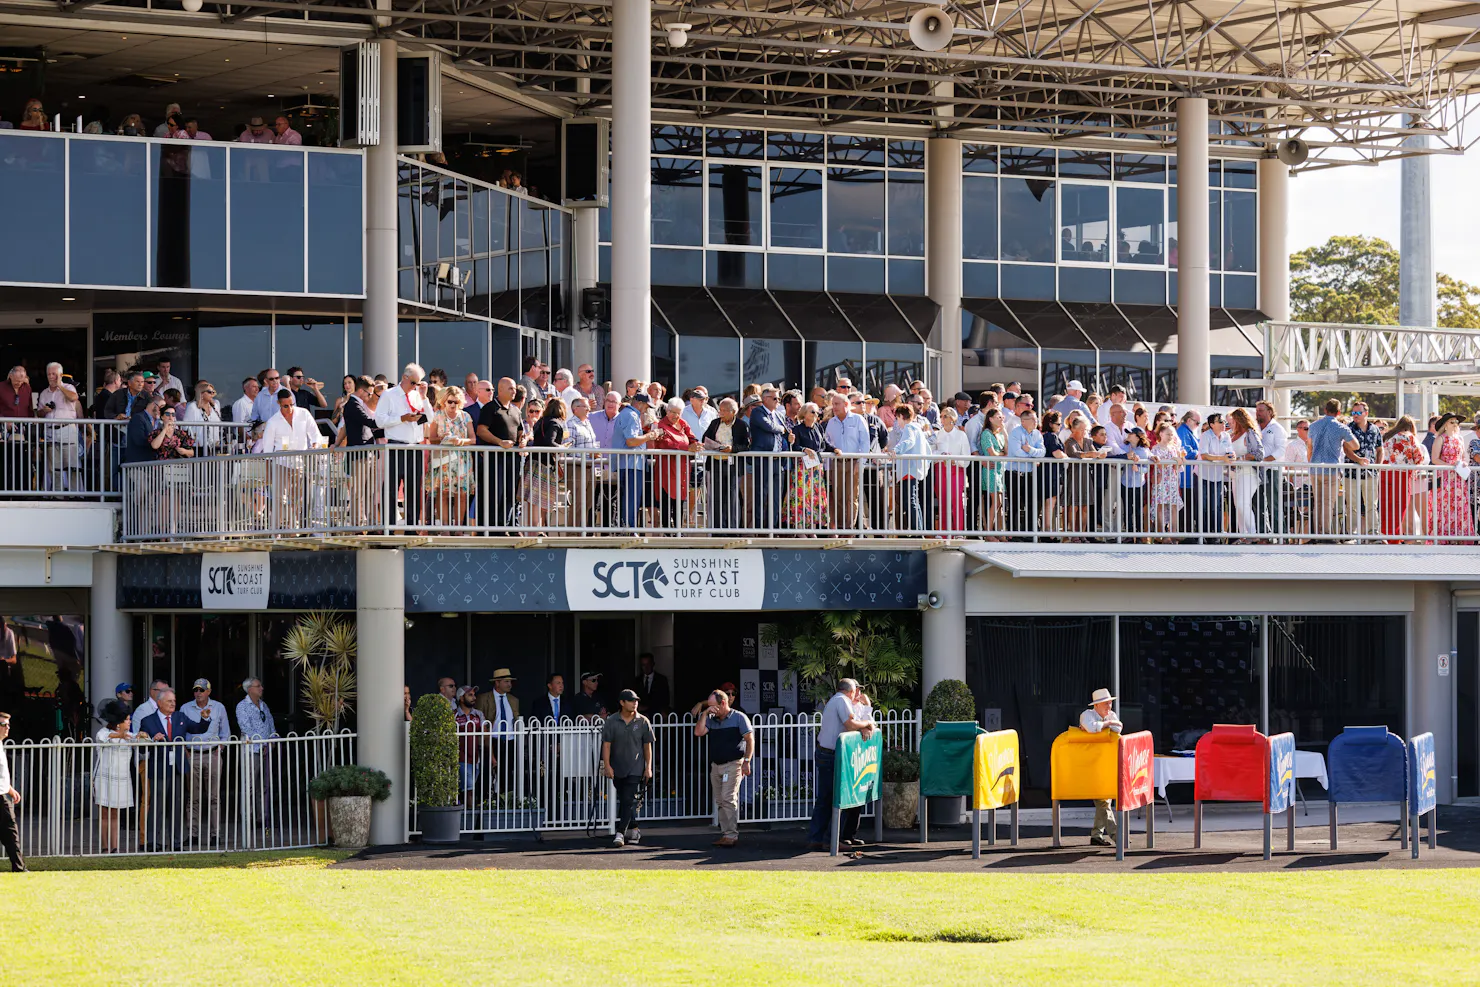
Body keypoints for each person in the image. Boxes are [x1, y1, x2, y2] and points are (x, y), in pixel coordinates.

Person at [136, 688, 211, 852]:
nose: (173, 704)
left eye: (174, 701)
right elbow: (142, 746)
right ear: (159, 702)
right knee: (157, 807)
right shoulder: (148, 720)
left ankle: (176, 842)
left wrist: (205, 718)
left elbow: (197, 728)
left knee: (177, 806)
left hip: (177, 768)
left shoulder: (180, 717)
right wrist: (151, 740)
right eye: (170, 701)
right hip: (159, 769)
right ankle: (152, 841)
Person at [805, 679, 876, 851]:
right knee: (838, 798)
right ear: (851, 691)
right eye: (856, 690)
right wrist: (866, 724)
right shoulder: (841, 701)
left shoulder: (837, 700)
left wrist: (866, 711)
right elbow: (851, 724)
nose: (858, 694)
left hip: (827, 752)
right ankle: (830, 840)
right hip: (832, 755)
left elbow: (857, 722)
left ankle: (818, 838)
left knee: (826, 798)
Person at [693, 688, 753, 848]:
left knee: (728, 797)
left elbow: (750, 739)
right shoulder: (712, 719)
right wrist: (705, 714)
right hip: (716, 765)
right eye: (709, 706)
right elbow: (698, 732)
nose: (711, 709)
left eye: (713, 706)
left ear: (723, 703)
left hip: (733, 764)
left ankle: (731, 835)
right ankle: (726, 834)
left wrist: (747, 761)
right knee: (720, 800)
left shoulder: (739, 717)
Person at [376, 363, 429, 529]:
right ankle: (389, 528)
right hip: (395, 446)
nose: (415, 386)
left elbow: (430, 417)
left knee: (413, 490)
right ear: (404, 378)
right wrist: (402, 418)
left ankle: (412, 528)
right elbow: (379, 420)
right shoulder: (389, 395)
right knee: (391, 489)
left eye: (418, 383)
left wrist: (425, 397)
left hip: (415, 447)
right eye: (413, 382)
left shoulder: (416, 396)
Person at [600, 689, 654, 848]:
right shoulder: (611, 721)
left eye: (636, 700)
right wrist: (607, 765)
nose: (635, 703)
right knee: (626, 800)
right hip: (617, 768)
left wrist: (648, 767)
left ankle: (620, 832)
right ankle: (635, 827)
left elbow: (647, 746)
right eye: (631, 700)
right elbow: (607, 745)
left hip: (635, 768)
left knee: (628, 798)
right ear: (622, 703)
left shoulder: (643, 721)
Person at [180, 677, 230, 848]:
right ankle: (193, 834)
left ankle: (215, 835)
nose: (198, 693)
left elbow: (226, 733)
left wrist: (220, 749)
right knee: (193, 797)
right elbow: (181, 732)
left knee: (214, 797)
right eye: (196, 690)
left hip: (213, 754)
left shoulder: (218, 707)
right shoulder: (185, 708)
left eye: (201, 690)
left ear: (209, 691)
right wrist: (186, 752)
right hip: (192, 755)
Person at [1307, 398, 1358, 538]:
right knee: (1328, 503)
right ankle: (1326, 533)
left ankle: (1317, 533)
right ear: (1339, 412)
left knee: (1317, 502)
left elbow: (1309, 448)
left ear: (1325, 410)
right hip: (1331, 469)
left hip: (1314, 468)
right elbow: (1355, 446)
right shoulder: (1341, 427)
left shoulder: (1313, 426)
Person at [1079, 688, 1123, 847]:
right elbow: (1091, 728)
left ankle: (1096, 835)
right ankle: (1117, 836)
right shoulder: (1086, 714)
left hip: (1105, 763)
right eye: (1106, 703)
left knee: (1105, 801)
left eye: (1110, 702)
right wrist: (1108, 724)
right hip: (1089, 765)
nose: (1109, 706)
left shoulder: (1110, 715)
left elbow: (1118, 728)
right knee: (1103, 801)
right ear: (1096, 705)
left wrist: (1105, 724)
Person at [93, 701, 138, 853]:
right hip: (104, 778)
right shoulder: (103, 733)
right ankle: (105, 847)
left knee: (115, 813)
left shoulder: (129, 736)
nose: (129, 722)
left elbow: (141, 740)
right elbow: (104, 738)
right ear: (119, 722)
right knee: (104, 812)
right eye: (127, 719)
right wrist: (119, 735)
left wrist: (144, 736)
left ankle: (115, 847)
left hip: (121, 779)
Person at [477, 378, 521, 530]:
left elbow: (521, 431)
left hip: (513, 459)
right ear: (500, 390)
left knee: (511, 493)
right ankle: (491, 527)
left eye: (514, 388)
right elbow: (481, 430)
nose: (514, 391)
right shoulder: (490, 408)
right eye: (510, 388)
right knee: (495, 493)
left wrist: (524, 439)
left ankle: (507, 526)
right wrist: (499, 442)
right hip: (495, 459)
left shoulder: (516, 409)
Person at [427, 385, 475, 528]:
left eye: (456, 402)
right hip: (443, 459)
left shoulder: (466, 416)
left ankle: (459, 527)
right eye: (450, 401)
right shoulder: (438, 415)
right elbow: (432, 438)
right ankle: (445, 527)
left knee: (461, 494)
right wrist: (443, 438)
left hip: (462, 459)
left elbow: (473, 439)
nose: (453, 405)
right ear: (444, 402)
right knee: (443, 494)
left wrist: (461, 441)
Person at [236, 677, 276, 836]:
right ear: (249, 689)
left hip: (266, 750)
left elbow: (270, 724)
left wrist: (271, 740)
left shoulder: (263, 705)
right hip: (252, 750)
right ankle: (248, 817)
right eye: (258, 686)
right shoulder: (242, 706)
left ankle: (263, 817)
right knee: (250, 785)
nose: (261, 688)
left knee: (264, 785)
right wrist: (262, 743)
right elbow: (246, 727)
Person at [703, 398, 750, 529]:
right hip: (716, 464)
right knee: (717, 498)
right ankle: (719, 530)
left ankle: (732, 529)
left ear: (733, 412)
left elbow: (746, 446)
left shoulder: (741, 425)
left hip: (733, 466)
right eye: (720, 410)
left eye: (724, 411)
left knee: (732, 498)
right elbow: (705, 439)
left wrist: (732, 449)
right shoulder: (715, 423)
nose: (721, 413)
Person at [1381, 416, 1428, 543]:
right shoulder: (1410, 437)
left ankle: (1385, 535)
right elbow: (1419, 458)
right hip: (1402, 475)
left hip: (1384, 474)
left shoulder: (1388, 436)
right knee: (1399, 506)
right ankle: (1394, 538)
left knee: (1386, 506)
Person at [1428, 413, 1473, 541]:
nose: (1455, 424)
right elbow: (1435, 459)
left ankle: (1460, 537)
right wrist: (1449, 465)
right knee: (1445, 507)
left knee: (1460, 506)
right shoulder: (1440, 438)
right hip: (1445, 479)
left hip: (1458, 479)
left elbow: (1464, 457)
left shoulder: (1460, 438)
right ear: (1445, 424)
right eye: (1452, 422)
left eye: (1456, 422)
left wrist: (1462, 463)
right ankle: (1443, 537)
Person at [526, 397, 568, 532]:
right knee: (539, 500)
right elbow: (549, 442)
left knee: (533, 500)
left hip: (533, 462)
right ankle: (537, 530)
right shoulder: (555, 423)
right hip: (544, 465)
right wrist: (562, 448)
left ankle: (535, 530)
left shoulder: (541, 421)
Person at [786, 401, 830, 531]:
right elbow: (794, 446)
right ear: (804, 414)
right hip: (802, 469)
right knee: (801, 498)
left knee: (815, 497)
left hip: (816, 468)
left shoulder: (819, 428)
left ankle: (812, 528)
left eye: (818, 412)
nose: (816, 414)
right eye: (813, 412)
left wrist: (835, 450)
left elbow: (823, 444)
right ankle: (800, 528)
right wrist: (804, 449)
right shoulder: (797, 429)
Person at [1346, 402, 1384, 539]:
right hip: (1351, 474)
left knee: (1371, 505)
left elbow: (1380, 449)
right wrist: (1358, 459)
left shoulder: (1375, 429)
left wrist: (1377, 467)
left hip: (1370, 474)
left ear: (1366, 413)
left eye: (1358, 413)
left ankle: (1373, 534)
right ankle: (1351, 534)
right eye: (1353, 413)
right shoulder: (1348, 428)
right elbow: (1346, 448)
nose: (1355, 416)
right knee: (1352, 506)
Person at [1226, 408, 1264, 540]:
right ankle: (1244, 535)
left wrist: (1242, 458)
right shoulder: (1231, 436)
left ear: (1239, 420)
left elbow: (1259, 453)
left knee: (1243, 504)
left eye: (1232, 421)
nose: (1230, 424)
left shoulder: (1249, 433)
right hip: (1235, 474)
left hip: (1248, 473)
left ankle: (1252, 534)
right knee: (1238, 505)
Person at [1194, 413, 1233, 539]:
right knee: (1204, 506)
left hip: (1218, 476)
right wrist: (1223, 458)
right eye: (1220, 421)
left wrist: (1232, 457)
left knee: (1216, 506)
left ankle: (1215, 536)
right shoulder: (1206, 436)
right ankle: (1203, 535)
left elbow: (1230, 452)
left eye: (1223, 421)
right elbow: (1205, 455)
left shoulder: (1226, 436)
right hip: (1203, 475)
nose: (1223, 424)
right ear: (1212, 424)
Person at [454, 686, 490, 807]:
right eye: (470, 695)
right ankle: (471, 817)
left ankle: (468, 814)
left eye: (474, 695)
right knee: (469, 789)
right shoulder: (453, 715)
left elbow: (485, 736)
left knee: (471, 787)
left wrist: (492, 757)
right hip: (460, 758)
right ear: (461, 698)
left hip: (476, 758)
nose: (474, 697)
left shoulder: (478, 714)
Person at [0, 711, 23, 871]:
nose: (8, 727)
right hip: (0, 797)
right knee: (11, 831)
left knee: (9, 833)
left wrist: (10, 788)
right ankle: (19, 868)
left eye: (8, 724)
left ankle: (19, 867)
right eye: (4, 724)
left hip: (3, 792)